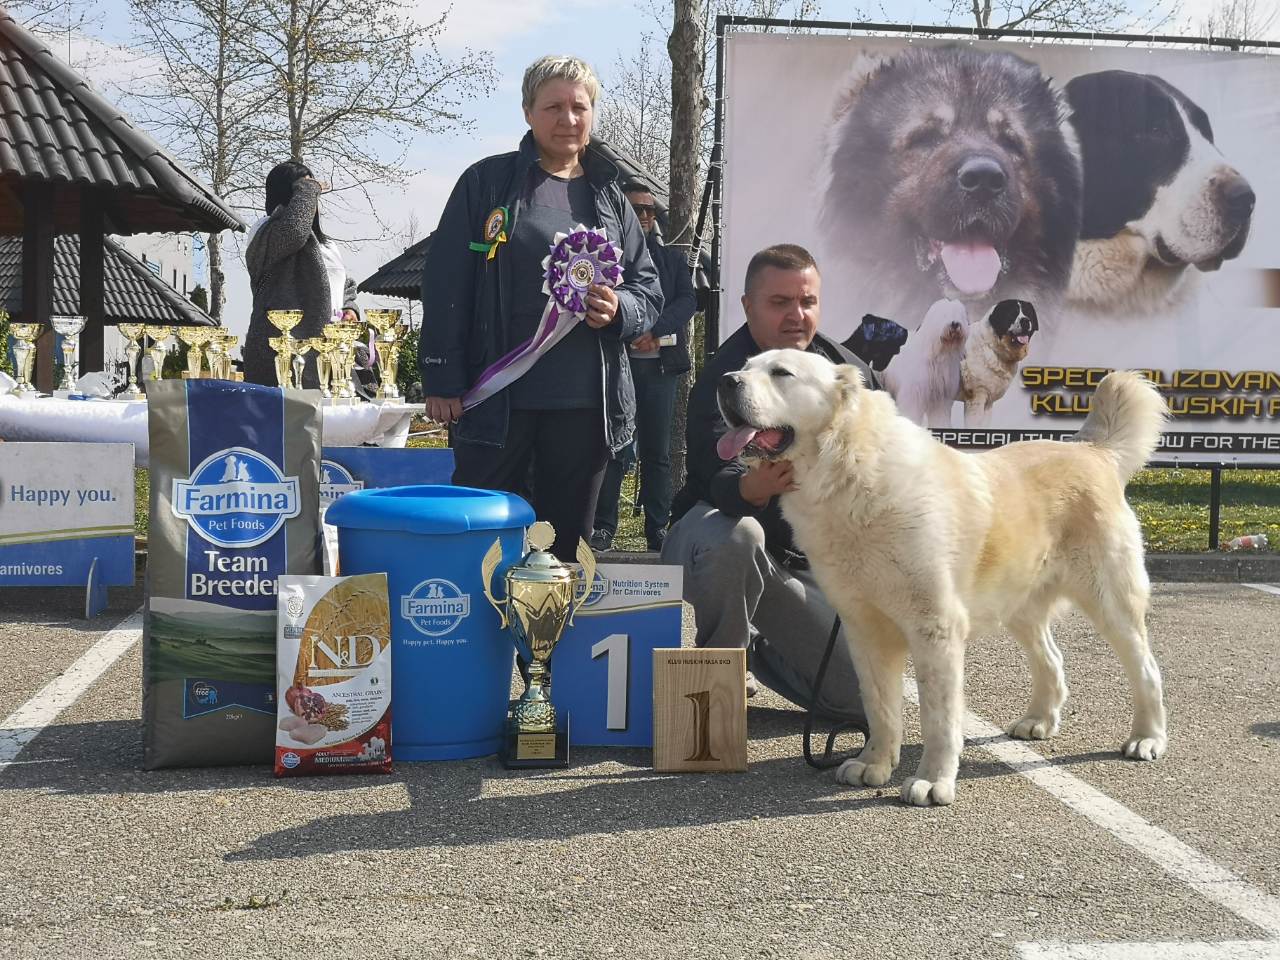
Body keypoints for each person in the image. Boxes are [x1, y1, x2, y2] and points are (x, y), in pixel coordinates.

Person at [419, 55, 663, 562]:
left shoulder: (612, 197)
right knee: (480, 548)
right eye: (553, 107)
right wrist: (441, 375)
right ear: (528, 112)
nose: (568, 119)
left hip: (585, 409)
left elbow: (647, 290)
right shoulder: (486, 184)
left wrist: (619, 309)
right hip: (496, 403)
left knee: (564, 556)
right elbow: (446, 282)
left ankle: (553, 619)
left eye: (579, 107)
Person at [661, 243, 873, 724]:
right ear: (748, 306)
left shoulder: (848, 373)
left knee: (862, 701)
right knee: (737, 535)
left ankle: (764, 654)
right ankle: (718, 676)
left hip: (803, 564)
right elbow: (717, 475)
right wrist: (751, 489)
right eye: (780, 302)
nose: (797, 315)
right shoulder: (727, 377)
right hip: (714, 537)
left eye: (807, 301)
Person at [591, 184, 696, 552]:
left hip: (660, 371)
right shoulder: (602, 259)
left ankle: (657, 529)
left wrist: (655, 329)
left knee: (657, 453)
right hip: (615, 369)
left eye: (651, 210)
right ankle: (603, 528)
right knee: (613, 449)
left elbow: (688, 301)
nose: (646, 216)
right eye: (637, 209)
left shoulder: (672, 260)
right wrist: (632, 330)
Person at [244, 160, 360, 388]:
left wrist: (349, 308)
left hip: (331, 355)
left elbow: (343, 285)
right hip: (282, 358)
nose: (313, 198)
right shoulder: (264, 231)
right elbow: (294, 231)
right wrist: (308, 188)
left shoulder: (328, 245)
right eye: (304, 190)